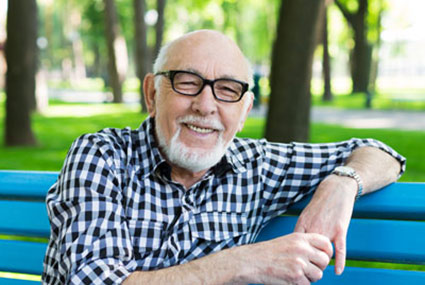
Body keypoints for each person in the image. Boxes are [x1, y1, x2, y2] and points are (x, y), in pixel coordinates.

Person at [42, 30, 405, 285]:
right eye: (187, 82)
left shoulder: (258, 166)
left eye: (227, 90)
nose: (205, 106)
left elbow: (382, 154)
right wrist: (246, 263)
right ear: (152, 94)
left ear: (245, 111)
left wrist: (342, 183)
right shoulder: (101, 156)